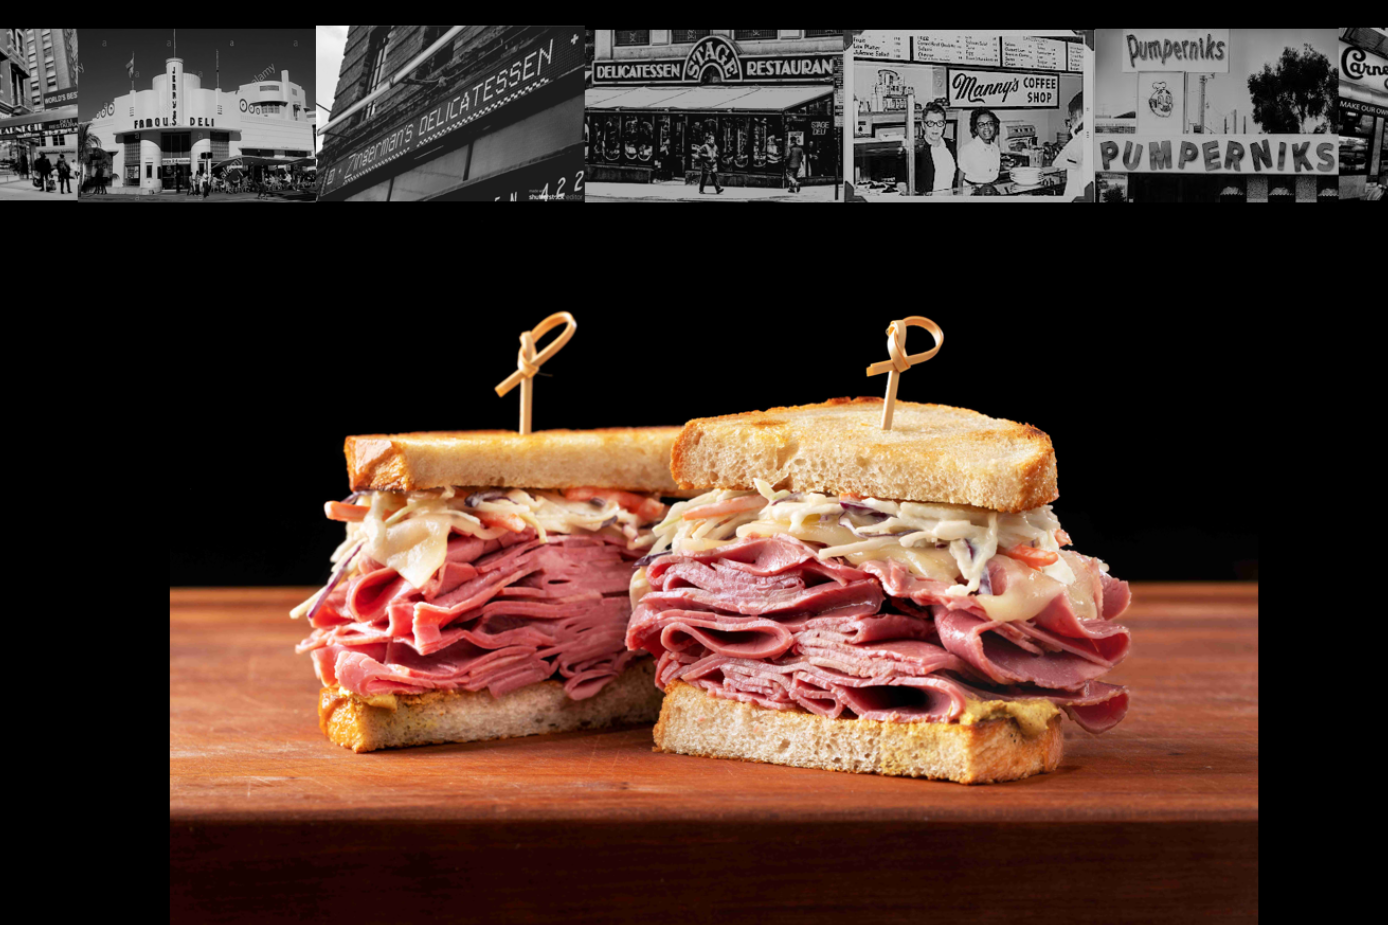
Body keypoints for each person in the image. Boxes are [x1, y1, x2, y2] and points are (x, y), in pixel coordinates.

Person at [913, 102, 958, 196]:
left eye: (939, 123)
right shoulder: (916, 150)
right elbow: (901, 183)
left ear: (944, 125)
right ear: (923, 125)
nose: (935, 128)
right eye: (930, 123)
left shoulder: (951, 145)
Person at [957, 108, 1001, 192]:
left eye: (990, 123)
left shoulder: (995, 148)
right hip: (973, 193)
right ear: (976, 129)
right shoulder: (967, 149)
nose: (986, 128)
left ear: (995, 126)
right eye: (981, 125)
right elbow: (959, 181)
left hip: (992, 191)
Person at [1056, 92, 1087, 202]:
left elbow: (1073, 192)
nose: (1071, 124)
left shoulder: (1081, 141)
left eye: (1072, 118)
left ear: (1078, 115)